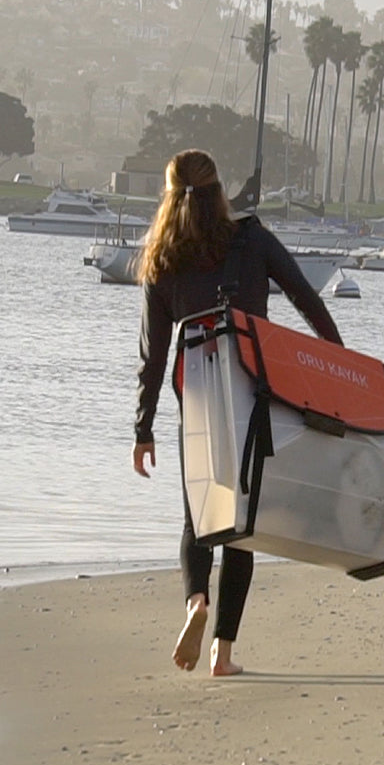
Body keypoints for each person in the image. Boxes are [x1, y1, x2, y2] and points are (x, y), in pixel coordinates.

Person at [132, 148, 343, 676]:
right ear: (220, 190)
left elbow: (154, 356)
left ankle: (195, 602)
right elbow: (305, 298)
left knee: (198, 516)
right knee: (243, 524)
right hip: (254, 394)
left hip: (198, 400)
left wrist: (143, 428)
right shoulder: (250, 238)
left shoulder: (161, 257)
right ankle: (222, 654)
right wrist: (338, 364)